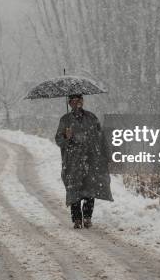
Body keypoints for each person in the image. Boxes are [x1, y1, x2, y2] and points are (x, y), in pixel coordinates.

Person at [55, 94, 113, 229]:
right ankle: (76, 219)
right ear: (70, 103)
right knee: (74, 189)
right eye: (74, 101)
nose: (77, 103)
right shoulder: (65, 120)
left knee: (89, 189)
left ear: (82, 101)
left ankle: (87, 217)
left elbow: (101, 136)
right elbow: (59, 140)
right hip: (73, 161)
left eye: (79, 100)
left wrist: (107, 155)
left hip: (91, 158)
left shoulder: (92, 118)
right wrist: (66, 137)